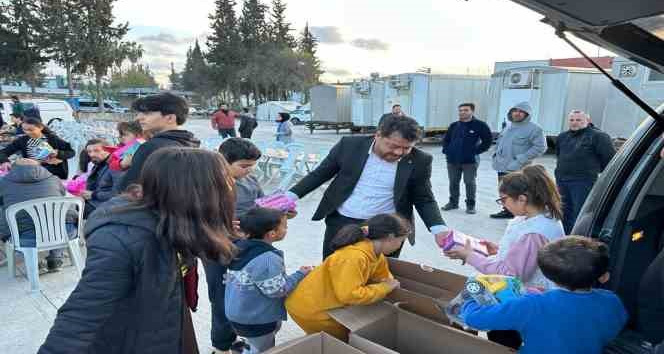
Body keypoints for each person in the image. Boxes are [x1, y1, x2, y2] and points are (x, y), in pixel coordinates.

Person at [38, 147, 238, 354]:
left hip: (169, 319)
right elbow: (80, 316)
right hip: (136, 337)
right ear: (193, 189)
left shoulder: (174, 216)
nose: (229, 186)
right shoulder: (120, 241)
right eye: (222, 180)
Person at [288, 114, 448, 259]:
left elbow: (424, 198)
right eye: (393, 146)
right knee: (334, 268)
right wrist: (289, 197)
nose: (399, 152)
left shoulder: (420, 160)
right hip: (342, 221)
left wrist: (439, 229)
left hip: (386, 230)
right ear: (378, 135)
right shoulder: (350, 145)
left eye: (407, 148)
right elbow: (320, 174)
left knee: (376, 277)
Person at [445, 164, 564, 349]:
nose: (503, 204)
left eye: (504, 199)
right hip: (530, 295)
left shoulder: (534, 232)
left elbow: (510, 274)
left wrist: (470, 256)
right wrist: (499, 250)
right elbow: (526, 255)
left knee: (503, 335)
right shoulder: (540, 218)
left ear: (522, 199)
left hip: (526, 297)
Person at [461, 236, 628, 354]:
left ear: (550, 277)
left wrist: (470, 298)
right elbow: (612, 329)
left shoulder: (532, 305)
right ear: (604, 277)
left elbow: (475, 319)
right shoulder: (612, 301)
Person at [285, 213, 407, 340]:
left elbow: (383, 277)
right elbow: (350, 295)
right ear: (390, 237)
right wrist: (385, 287)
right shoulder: (353, 258)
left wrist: (388, 284)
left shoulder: (376, 255)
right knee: (342, 341)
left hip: (324, 303)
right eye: (401, 241)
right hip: (311, 310)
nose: (400, 245)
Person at [205, 138, 264, 354]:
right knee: (220, 296)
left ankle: (243, 337)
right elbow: (197, 218)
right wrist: (223, 224)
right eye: (244, 166)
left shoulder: (251, 182)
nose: (249, 170)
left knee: (246, 292)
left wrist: (280, 211)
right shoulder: (209, 185)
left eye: (252, 165)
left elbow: (262, 205)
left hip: (247, 246)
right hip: (217, 247)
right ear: (223, 161)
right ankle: (221, 345)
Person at [225, 207, 312, 354]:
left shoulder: (238, 247)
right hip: (258, 319)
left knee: (251, 342)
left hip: (237, 312)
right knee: (263, 349)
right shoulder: (268, 259)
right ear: (272, 234)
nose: (286, 229)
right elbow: (277, 290)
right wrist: (300, 274)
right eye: (284, 226)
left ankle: (243, 349)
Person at [0, 159, 77, 272]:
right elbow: (63, 197)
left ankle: (33, 261)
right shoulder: (54, 179)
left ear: (13, 168)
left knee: (7, 215)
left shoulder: (3, 183)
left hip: (27, 238)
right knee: (59, 220)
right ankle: (56, 257)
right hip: (64, 232)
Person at [118, 92, 200, 192]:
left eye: (147, 113)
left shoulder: (152, 147)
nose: (138, 118)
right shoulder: (190, 144)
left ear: (170, 118)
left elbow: (128, 190)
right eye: (139, 113)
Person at [555, 110, 616, 233]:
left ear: (588, 121)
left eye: (578, 120)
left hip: (583, 181)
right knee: (564, 212)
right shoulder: (562, 136)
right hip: (562, 180)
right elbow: (559, 155)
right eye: (572, 120)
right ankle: (566, 237)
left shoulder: (598, 136)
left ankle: (581, 237)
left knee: (581, 213)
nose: (574, 123)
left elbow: (609, 159)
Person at [491, 102, 547, 219]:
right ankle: (507, 210)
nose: (517, 113)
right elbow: (500, 143)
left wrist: (520, 160)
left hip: (518, 167)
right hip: (502, 166)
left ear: (527, 114)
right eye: (515, 111)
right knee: (505, 191)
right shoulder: (508, 127)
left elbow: (540, 147)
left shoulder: (535, 129)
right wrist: (496, 156)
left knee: (518, 192)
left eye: (521, 111)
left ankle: (520, 213)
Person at [441, 103, 493, 214]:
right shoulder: (454, 125)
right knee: (453, 182)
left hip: (470, 161)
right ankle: (453, 203)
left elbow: (487, 141)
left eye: (465, 110)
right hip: (452, 160)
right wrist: (447, 151)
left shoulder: (480, 125)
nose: (462, 112)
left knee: (469, 182)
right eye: (460, 110)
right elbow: (446, 140)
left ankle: (470, 205)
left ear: (472, 111)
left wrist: (475, 152)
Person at [0, 117, 75, 179]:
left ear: (41, 127)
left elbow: (71, 152)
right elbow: (3, 152)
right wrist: (5, 161)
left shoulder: (53, 139)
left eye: (31, 130)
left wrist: (58, 153)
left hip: (53, 174)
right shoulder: (22, 140)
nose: (27, 132)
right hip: (31, 173)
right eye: (24, 130)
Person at [80, 139, 119, 218]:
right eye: (89, 152)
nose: (91, 154)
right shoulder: (98, 164)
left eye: (96, 150)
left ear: (108, 150)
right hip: (93, 204)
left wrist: (93, 195)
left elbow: (118, 194)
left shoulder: (115, 165)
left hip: (106, 208)